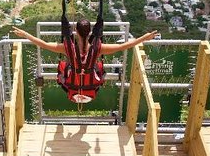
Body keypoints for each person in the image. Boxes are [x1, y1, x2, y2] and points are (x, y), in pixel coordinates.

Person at [12, 20, 157, 103]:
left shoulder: (67, 49)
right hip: (91, 90)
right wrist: (144, 37)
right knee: (98, 67)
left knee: (63, 66)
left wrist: (25, 34)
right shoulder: (98, 49)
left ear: (75, 31)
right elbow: (123, 46)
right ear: (90, 32)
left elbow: (43, 44)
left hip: (71, 89)